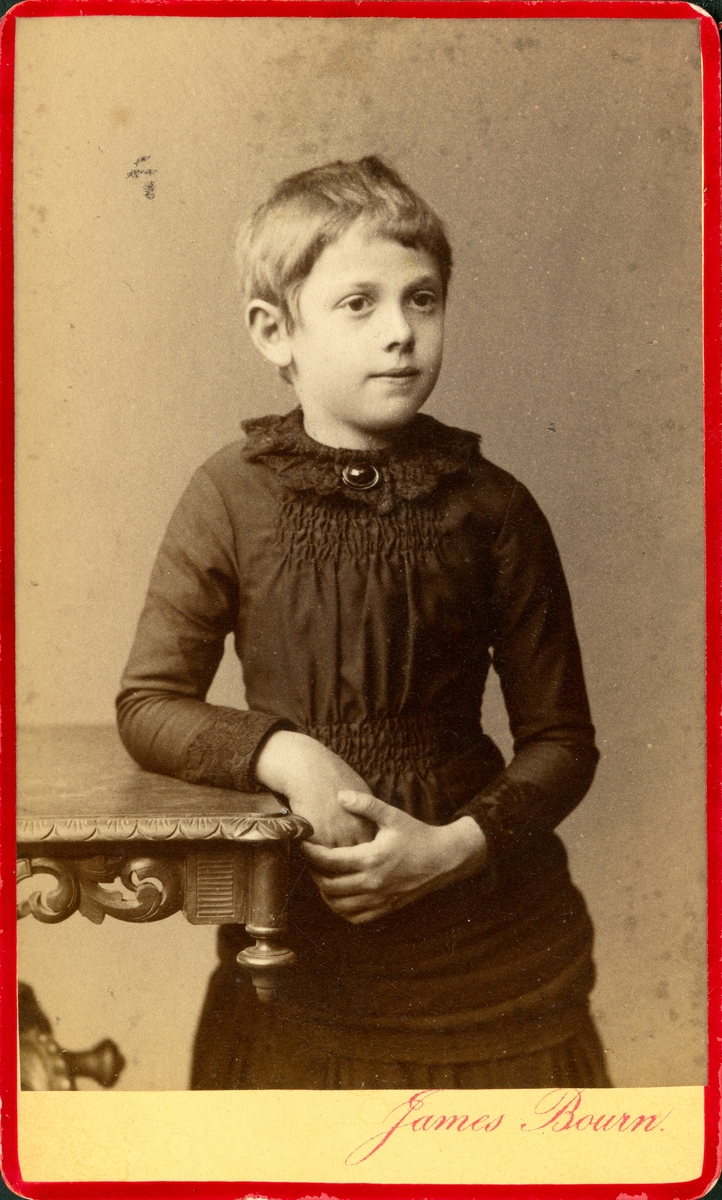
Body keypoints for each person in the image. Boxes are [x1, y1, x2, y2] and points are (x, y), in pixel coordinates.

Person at [117, 156, 610, 1090]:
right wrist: (285, 754)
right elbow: (149, 704)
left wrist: (452, 850)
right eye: (359, 304)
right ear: (275, 331)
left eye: (423, 300)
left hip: (489, 938)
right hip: (304, 935)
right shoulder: (229, 495)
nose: (400, 333)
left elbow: (562, 743)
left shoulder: (495, 507)